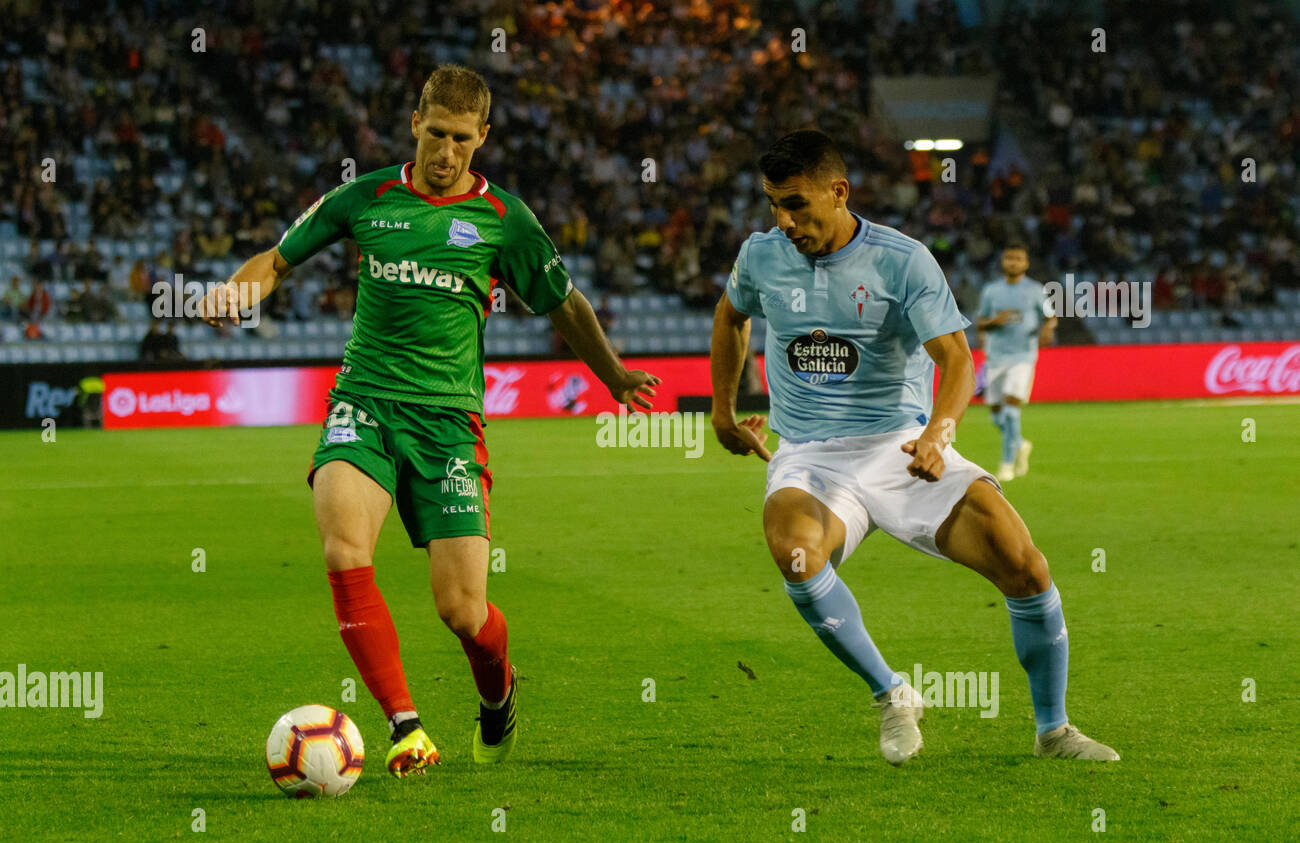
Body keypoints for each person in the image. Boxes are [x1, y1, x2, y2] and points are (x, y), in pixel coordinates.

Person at [199, 65, 659, 777]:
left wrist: (614, 374)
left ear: (483, 139)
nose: (447, 153)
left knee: (462, 610)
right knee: (344, 550)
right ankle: (405, 725)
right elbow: (277, 260)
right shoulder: (366, 198)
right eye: (437, 135)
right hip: (365, 405)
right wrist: (237, 291)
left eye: (462, 142)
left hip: (449, 425)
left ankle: (498, 693)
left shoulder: (505, 220)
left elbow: (565, 304)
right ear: (415, 123)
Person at [710, 130, 1116, 766]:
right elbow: (730, 316)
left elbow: (956, 359)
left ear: (839, 193)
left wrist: (938, 433)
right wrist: (723, 410)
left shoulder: (902, 261)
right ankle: (892, 693)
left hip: (903, 447)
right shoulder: (761, 256)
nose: (782, 221)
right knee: (796, 553)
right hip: (812, 455)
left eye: (795, 204)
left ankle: (1054, 730)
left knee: (1026, 567)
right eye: (772, 206)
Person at [975, 244, 1056, 481]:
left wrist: (1047, 330)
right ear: (1003, 261)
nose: (1013, 262)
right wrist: (994, 321)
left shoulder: (1035, 290)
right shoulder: (991, 290)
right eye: (1009, 258)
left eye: (1018, 259)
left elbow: (1051, 317)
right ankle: (1019, 443)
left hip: (1023, 356)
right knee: (997, 416)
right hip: (996, 356)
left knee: (1011, 412)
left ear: (1026, 263)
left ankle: (1006, 464)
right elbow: (980, 321)